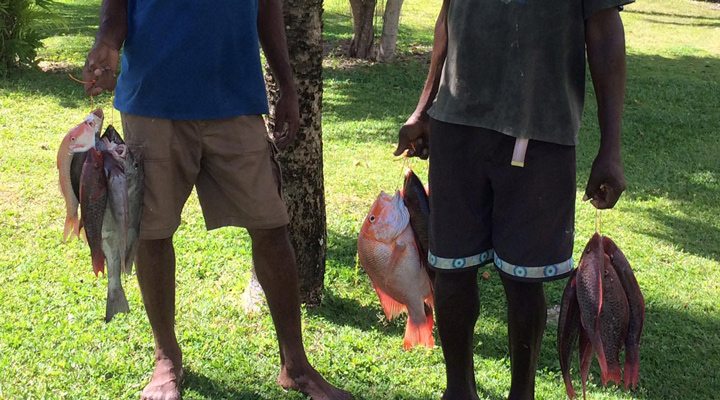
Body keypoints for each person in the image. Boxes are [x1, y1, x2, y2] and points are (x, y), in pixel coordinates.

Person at [83, 1, 352, 399]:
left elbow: (267, 8)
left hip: (236, 100)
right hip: (154, 98)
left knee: (271, 227)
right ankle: (166, 358)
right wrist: (107, 40)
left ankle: (295, 364)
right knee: (152, 234)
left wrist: (287, 86)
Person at [395, 1, 631, 399]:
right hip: (457, 126)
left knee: (525, 279)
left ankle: (522, 393)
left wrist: (611, 148)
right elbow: (449, 16)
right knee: (451, 269)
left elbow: (605, 30)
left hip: (541, 130)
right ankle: (458, 391)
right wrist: (425, 108)